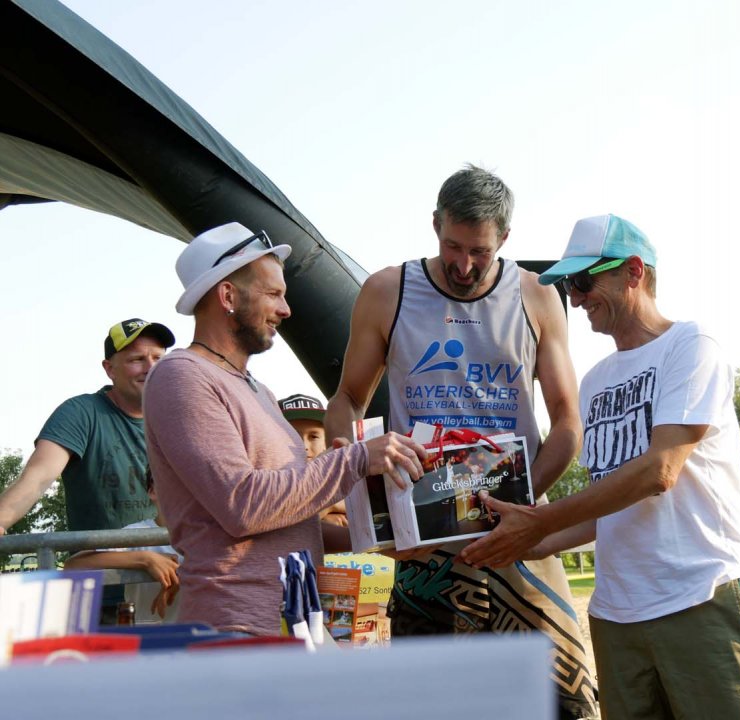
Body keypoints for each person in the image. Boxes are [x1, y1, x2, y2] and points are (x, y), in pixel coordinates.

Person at [460, 214, 740, 719]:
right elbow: (606, 507)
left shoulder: (692, 347)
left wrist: (541, 520)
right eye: (568, 285)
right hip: (615, 616)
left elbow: (660, 471)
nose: (576, 296)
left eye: (584, 281)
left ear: (634, 271)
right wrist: (522, 541)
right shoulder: (594, 380)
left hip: (700, 600)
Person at [325, 166, 597, 719]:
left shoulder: (536, 295)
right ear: (434, 224)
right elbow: (348, 400)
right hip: (421, 537)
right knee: (432, 702)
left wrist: (520, 502)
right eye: (451, 245)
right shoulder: (387, 289)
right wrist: (348, 455)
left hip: (516, 527)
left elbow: (569, 422)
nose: (463, 264)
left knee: (562, 704)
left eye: (479, 250)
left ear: (505, 240)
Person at [144, 222, 426, 636]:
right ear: (227, 296)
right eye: (273, 294)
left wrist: (383, 539)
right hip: (234, 628)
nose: (285, 310)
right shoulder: (181, 376)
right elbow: (243, 507)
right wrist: (356, 459)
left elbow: (291, 523)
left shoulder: (260, 392)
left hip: (290, 623)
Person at [0, 318, 174, 621]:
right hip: (98, 591)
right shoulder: (82, 413)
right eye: (136, 359)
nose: (150, 367)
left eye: (158, 358)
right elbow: (39, 476)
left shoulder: (182, 418)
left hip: (170, 584)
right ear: (109, 368)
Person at [64, 468, 181, 624]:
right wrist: (145, 560)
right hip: (145, 642)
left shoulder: (210, 535)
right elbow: (74, 565)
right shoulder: (137, 534)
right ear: (152, 490)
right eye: (168, 478)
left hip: (200, 641)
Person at [278, 393, 347, 527]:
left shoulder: (343, 479)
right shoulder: (267, 482)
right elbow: (279, 524)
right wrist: (329, 506)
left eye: (314, 436)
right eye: (292, 435)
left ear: (326, 441)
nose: (304, 446)